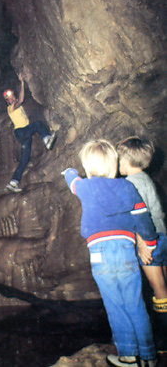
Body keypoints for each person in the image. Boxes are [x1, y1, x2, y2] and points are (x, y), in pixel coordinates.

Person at [62, 139, 158, 367]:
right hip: (126, 251)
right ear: (114, 165)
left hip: (100, 253)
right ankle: (149, 356)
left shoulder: (86, 186)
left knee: (115, 305)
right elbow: (142, 217)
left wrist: (69, 171)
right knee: (135, 304)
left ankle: (128, 356)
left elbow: (72, 182)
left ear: (89, 168)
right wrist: (150, 243)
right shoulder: (128, 187)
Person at [117, 136, 167, 352]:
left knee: (159, 290)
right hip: (162, 237)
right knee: (164, 285)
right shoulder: (146, 179)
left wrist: (142, 243)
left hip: (150, 241)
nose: (118, 164)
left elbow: (140, 215)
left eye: (120, 159)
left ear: (127, 161)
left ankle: (163, 342)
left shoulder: (131, 183)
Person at [3, 73, 56, 192]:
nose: (11, 99)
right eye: (9, 99)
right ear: (7, 101)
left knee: (25, 160)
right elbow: (21, 99)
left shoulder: (15, 107)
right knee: (37, 125)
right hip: (22, 132)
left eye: (12, 97)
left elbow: (19, 100)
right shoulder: (11, 108)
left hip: (24, 136)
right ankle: (47, 140)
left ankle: (13, 182)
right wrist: (22, 82)